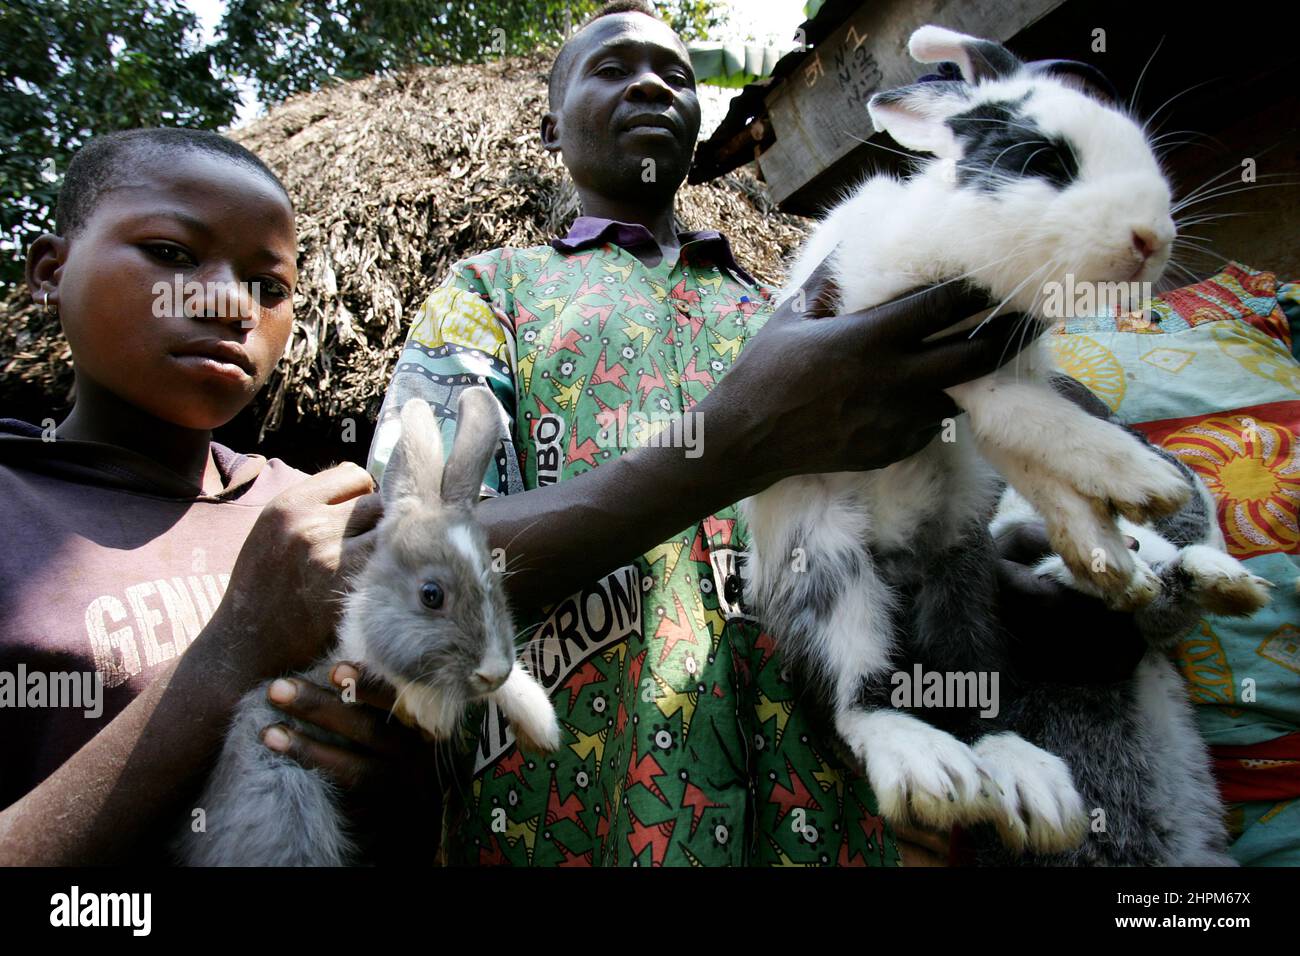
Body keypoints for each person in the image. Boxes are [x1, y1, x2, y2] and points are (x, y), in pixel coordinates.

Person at [367, 1, 1144, 866]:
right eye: (612, 68)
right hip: (569, 815)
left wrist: (1028, 609)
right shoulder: (488, 294)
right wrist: (742, 440)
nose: (653, 82)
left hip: (840, 816)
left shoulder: (804, 297)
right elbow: (404, 558)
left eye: (679, 73)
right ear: (551, 128)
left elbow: (900, 525)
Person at [0, 128, 436, 865]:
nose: (235, 305)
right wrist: (233, 652)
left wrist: (399, 768)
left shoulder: (317, 511)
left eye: (270, 287)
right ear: (51, 269)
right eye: (171, 254)